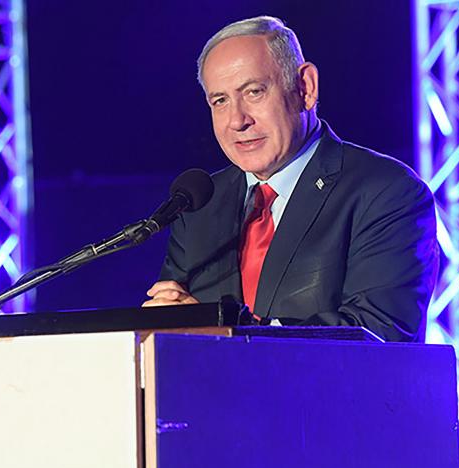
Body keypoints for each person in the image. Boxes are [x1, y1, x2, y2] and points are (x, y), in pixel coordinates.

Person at [142, 16, 439, 342]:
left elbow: (379, 334)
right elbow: (171, 326)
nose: (237, 120)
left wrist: (226, 333)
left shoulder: (386, 193)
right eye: (220, 101)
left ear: (305, 88)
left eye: (254, 92)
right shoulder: (200, 204)